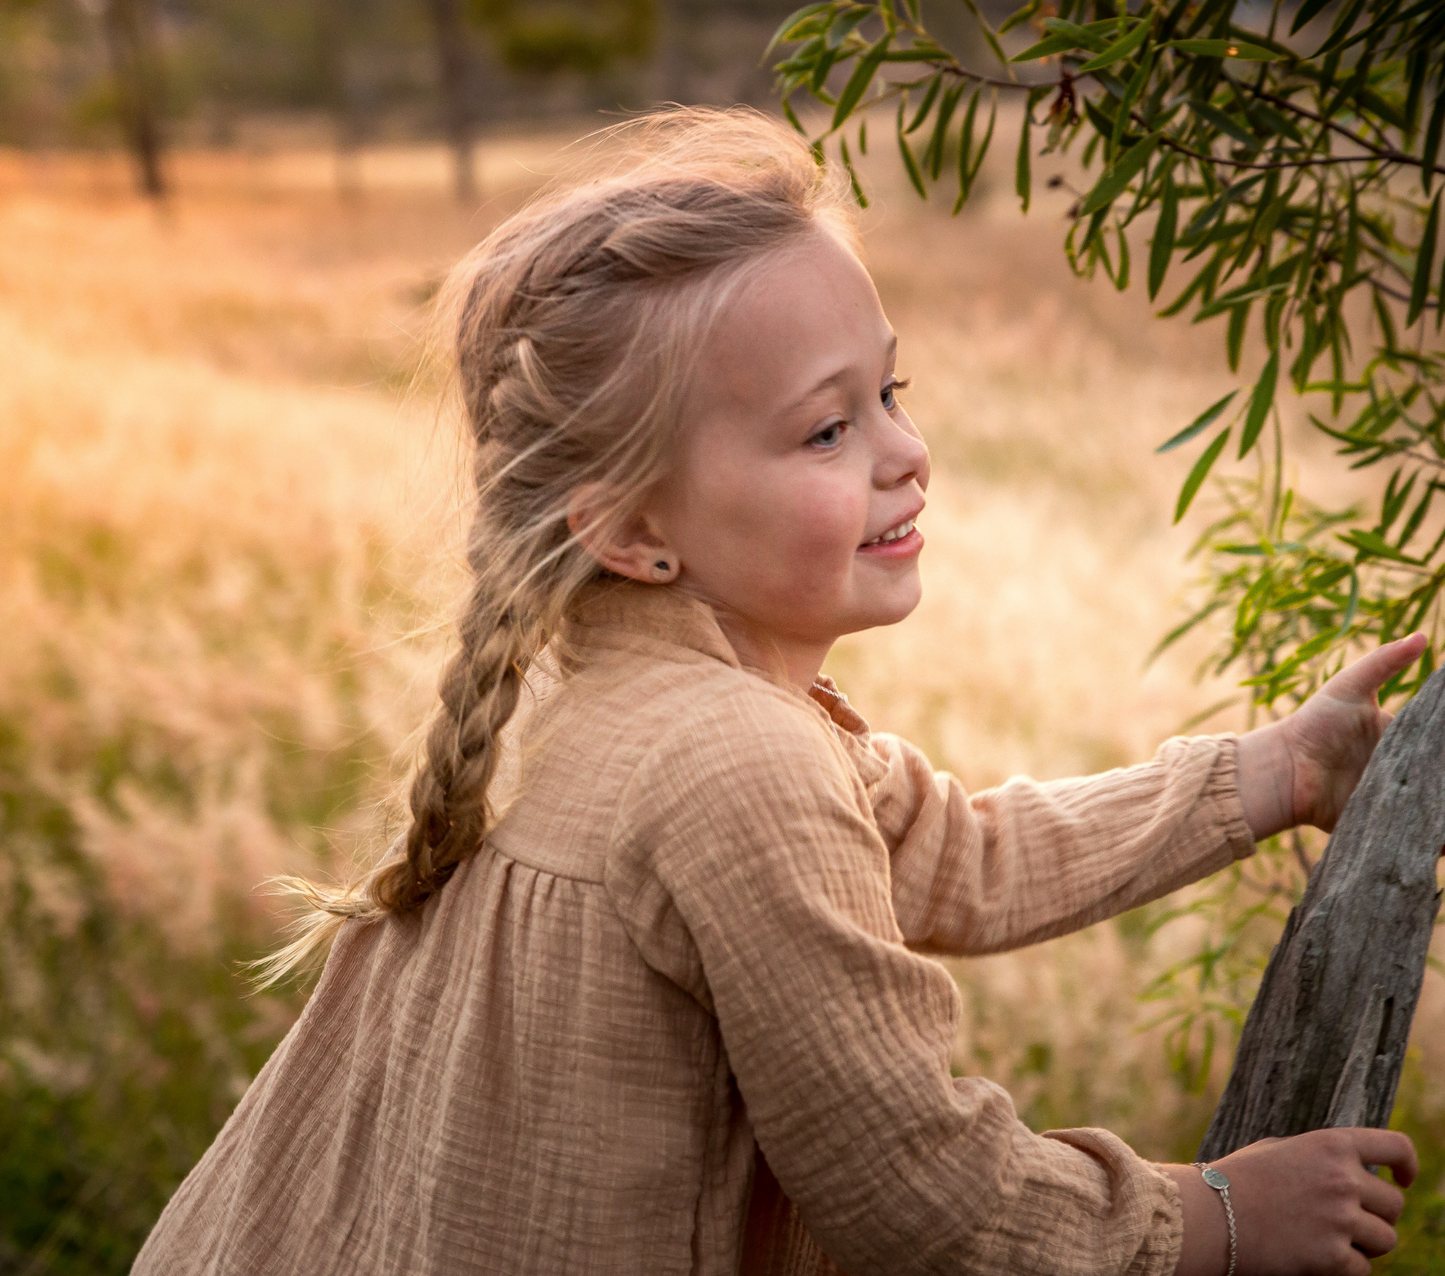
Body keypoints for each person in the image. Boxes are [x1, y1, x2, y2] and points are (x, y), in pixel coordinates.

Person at [131, 107, 1419, 1276]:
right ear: (633, 532)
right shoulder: (731, 763)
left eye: (889, 393)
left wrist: (1275, 772)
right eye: (826, 429)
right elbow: (925, 1194)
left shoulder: (622, 693)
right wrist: (1217, 1220)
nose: (907, 454)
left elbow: (961, 853)